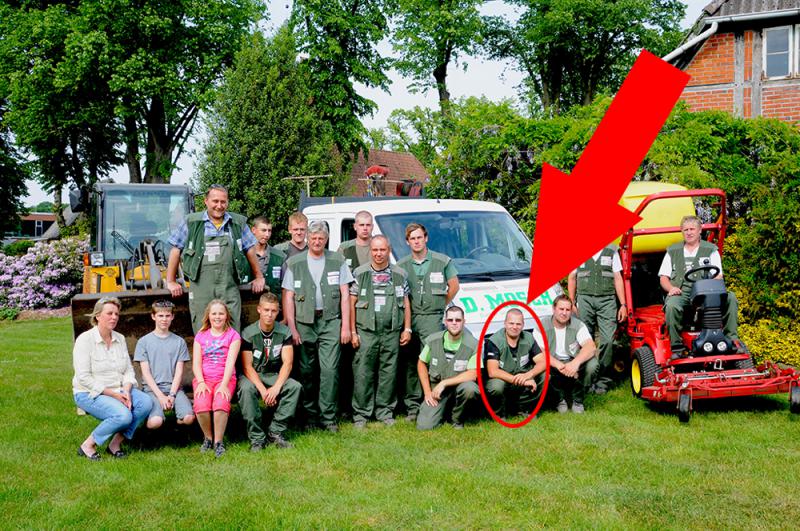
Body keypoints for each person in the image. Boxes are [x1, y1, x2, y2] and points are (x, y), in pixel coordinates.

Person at [282, 220, 354, 432]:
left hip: (331, 321)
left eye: (321, 238)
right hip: (304, 323)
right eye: (313, 238)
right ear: (307, 239)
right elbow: (288, 297)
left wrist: (346, 327)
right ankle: (310, 416)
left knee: (330, 370)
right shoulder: (295, 263)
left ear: (326, 239)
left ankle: (328, 417)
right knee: (306, 371)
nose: (316, 242)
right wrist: (292, 328)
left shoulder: (337, 260)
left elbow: (345, 294)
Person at [165, 184, 265, 333]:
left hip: (229, 286)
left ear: (227, 202)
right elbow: (175, 250)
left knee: (231, 329)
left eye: (223, 202)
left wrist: (259, 277)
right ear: (206, 201)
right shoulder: (192, 222)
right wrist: (171, 281)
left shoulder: (237, 223)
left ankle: (231, 357)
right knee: (202, 328)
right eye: (215, 201)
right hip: (200, 288)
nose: (219, 206)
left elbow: (250, 249)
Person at [73, 297, 153, 460]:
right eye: (109, 313)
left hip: (119, 389)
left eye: (116, 314)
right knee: (123, 416)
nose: (114, 317)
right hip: (89, 393)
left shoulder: (120, 338)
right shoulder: (85, 340)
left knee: (145, 403)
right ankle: (88, 444)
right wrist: (115, 395)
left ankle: (115, 444)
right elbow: (83, 378)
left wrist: (127, 391)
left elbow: (128, 371)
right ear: (97, 316)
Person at [397, 222, 459, 422]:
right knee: (410, 363)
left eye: (419, 237)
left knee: (432, 361)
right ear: (408, 242)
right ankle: (412, 407)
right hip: (410, 318)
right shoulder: (402, 265)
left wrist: (441, 304)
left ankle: (432, 403)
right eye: (412, 238)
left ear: (426, 238)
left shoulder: (442, 261)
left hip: (432, 318)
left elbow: (454, 286)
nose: (416, 241)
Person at [350, 235, 412, 428]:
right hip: (366, 331)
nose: (378, 254)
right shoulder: (359, 273)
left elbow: (406, 303)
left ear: (388, 250)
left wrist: (407, 328)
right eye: (375, 250)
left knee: (388, 373)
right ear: (370, 251)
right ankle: (361, 414)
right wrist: (352, 331)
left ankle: (385, 411)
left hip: (391, 332)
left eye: (382, 250)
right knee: (363, 373)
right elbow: (351, 304)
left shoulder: (400, 274)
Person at [658, 215, 739, 359]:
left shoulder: (710, 249)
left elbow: (718, 276)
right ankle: (677, 347)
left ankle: (732, 340)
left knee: (731, 297)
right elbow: (664, 277)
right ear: (682, 232)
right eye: (685, 230)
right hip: (681, 292)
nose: (689, 232)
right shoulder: (673, 251)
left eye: (692, 229)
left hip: (704, 292)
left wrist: (709, 287)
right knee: (671, 305)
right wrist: (671, 288)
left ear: (699, 230)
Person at [238, 293, 301, 450]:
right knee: (246, 389)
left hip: (273, 374)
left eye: (273, 311)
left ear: (278, 311)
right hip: (253, 375)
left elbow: (288, 363)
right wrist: (263, 390)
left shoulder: (284, 332)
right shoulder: (248, 333)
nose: (269, 314)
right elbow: (247, 367)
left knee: (294, 387)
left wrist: (276, 388)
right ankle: (257, 438)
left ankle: (275, 431)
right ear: (259, 309)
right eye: (266, 310)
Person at [567, 243, 626, 394]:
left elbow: (618, 278)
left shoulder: (612, 250)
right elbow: (572, 277)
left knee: (608, 340)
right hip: (585, 300)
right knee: (585, 341)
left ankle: (603, 380)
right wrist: (572, 302)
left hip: (607, 300)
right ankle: (587, 378)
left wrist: (623, 304)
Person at [134, 300, 195, 430]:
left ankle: (178, 421)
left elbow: (179, 372)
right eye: (160, 316)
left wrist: (172, 395)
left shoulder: (179, 342)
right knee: (156, 422)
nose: (164, 319)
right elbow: (146, 373)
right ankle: (147, 422)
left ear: (172, 317)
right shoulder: (143, 342)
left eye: (167, 316)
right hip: (152, 390)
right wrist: (161, 396)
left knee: (189, 419)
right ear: (153, 316)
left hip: (174, 389)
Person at [416, 306, 480, 430]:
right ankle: (441, 412)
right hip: (437, 391)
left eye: (458, 320)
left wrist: (445, 383)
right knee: (424, 427)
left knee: (470, 388)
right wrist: (427, 392)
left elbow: (473, 373)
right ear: (445, 322)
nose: (454, 323)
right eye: (450, 320)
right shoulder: (433, 340)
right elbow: (421, 362)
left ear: (464, 322)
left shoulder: (473, 344)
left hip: (458, 389)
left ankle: (456, 419)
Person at [192, 299, 241, 457]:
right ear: (208, 316)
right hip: (204, 379)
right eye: (214, 313)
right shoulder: (201, 336)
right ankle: (208, 437)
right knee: (201, 404)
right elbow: (196, 364)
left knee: (221, 402)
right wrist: (200, 382)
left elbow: (230, 363)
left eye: (221, 313)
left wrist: (224, 384)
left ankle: (218, 442)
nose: (217, 317)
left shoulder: (233, 336)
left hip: (224, 378)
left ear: (226, 316)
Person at [534, 296, 598, 414]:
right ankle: (559, 399)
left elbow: (591, 346)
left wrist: (575, 363)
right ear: (554, 309)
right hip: (553, 362)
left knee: (592, 364)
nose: (564, 313)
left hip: (572, 361)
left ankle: (578, 400)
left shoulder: (578, 325)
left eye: (567, 310)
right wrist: (558, 365)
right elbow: (540, 351)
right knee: (541, 367)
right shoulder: (541, 325)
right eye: (561, 309)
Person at [484, 308, 547, 418]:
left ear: (523, 325)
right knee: (496, 386)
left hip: (522, 374)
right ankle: (499, 413)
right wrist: (521, 381)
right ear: (505, 323)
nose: (514, 327)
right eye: (511, 323)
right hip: (502, 378)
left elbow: (543, 362)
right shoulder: (494, 341)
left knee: (545, 376)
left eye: (518, 324)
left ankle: (524, 408)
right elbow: (492, 371)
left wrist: (529, 375)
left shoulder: (528, 337)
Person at [251, 216, 285, 296]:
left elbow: (285, 286)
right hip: (249, 304)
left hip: (273, 304)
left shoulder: (280, 256)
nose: (267, 234)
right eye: (263, 230)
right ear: (253, 230)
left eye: (269, 231)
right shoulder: (243, 256)